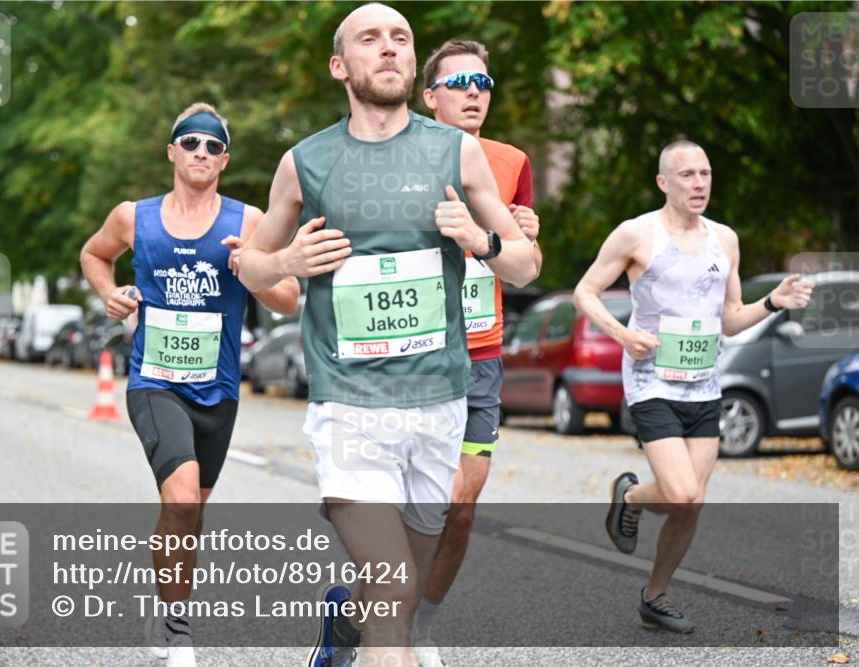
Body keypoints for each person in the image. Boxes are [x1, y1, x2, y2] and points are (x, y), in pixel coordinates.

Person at [238, 5, 537, 666]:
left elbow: (525, 264)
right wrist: (285, 262)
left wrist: (481, 240)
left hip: (438, 406)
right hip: (349, 407)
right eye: (370, 39)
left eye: (400, 38)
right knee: (393, 583)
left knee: (395, 600)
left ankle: (346, 634)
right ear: (341, 66)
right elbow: (251, 262)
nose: (390, 48)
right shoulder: (304, 161)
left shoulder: (455, 151)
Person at [79, 102, 299, 667]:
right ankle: (178, 634)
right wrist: (108, 292)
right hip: (154, 380)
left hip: (218, 389)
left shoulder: (247, 222)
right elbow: (93, 253)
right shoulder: (134, 216)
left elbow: (288, 297)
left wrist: (249, 269)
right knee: (179, 499)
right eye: (190, 142)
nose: (201, 152)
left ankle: (166, 602)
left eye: (213, 145)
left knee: (192, 512)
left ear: (225, 159)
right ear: (172, 151)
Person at [574, 140, 813, 633]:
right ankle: (633, 497)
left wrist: (773, 302)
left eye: (705, 174)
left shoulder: (724, 240)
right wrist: (622, 334)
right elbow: (585, 292)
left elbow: (729, 320)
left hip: (705, 384)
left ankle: (654, 596)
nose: (699, 183)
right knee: (681, 493)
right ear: (664, 182)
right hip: (650, 380)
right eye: (687, 175)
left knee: (693, 502)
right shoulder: (636, 234)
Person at [412, 38, 542, 667]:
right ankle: (363, 614)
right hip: (412, 354)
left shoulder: (511, 160)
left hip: (482, 353)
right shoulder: (393, 154)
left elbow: (527, 261)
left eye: (484, 84)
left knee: (460, 507)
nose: (474, 93)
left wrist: (510, 237)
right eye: (460, 82)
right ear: (429, 95)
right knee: (416, 509)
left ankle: (420, 629)